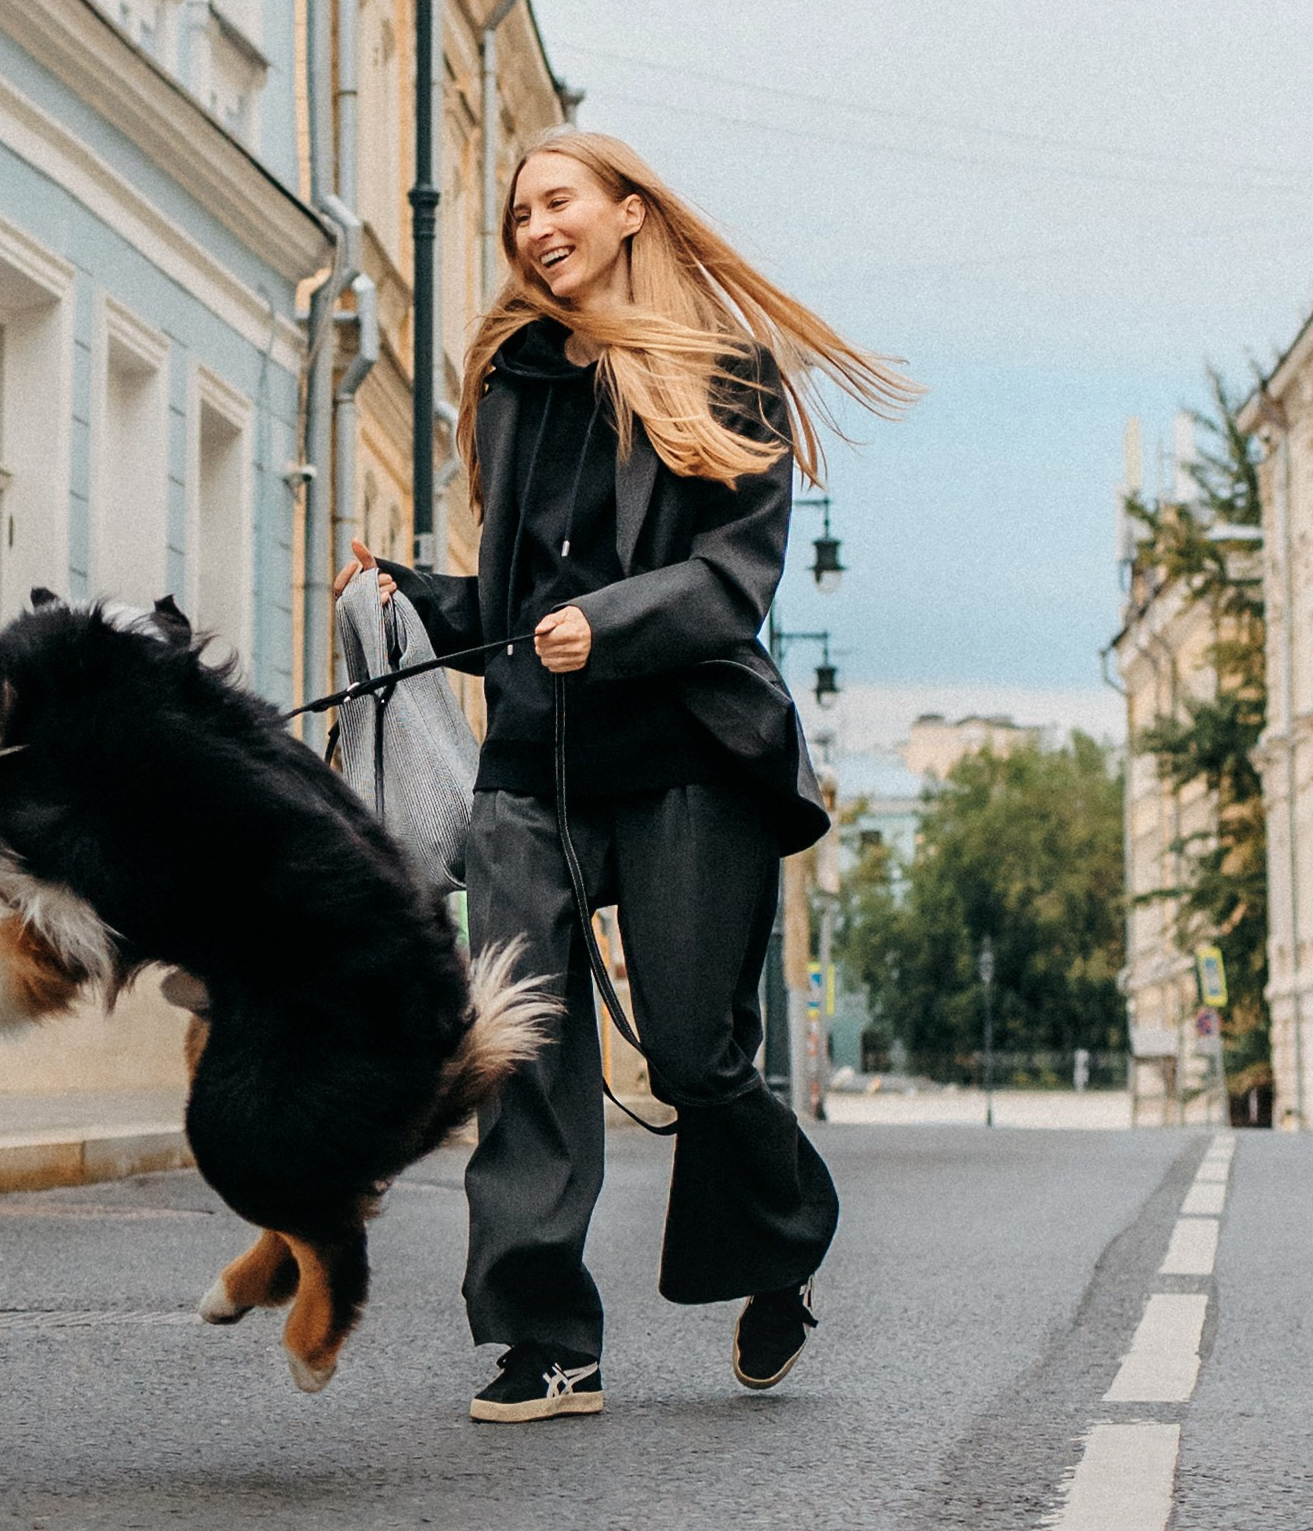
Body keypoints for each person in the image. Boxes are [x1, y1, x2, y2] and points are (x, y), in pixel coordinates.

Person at [342, 131, 910, 1425]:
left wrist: (609, 624)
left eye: (559, 201)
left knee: (696, 1055)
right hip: (533, 762)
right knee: (523, 1047)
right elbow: (509, 602)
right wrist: (404, 596)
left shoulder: (729, 378)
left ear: (628, 212)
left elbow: (731, 583)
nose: (536, 228)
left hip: (690, 753)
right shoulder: (515, 382)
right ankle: (547, 1338)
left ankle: (777, 1250)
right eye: (519, 213)